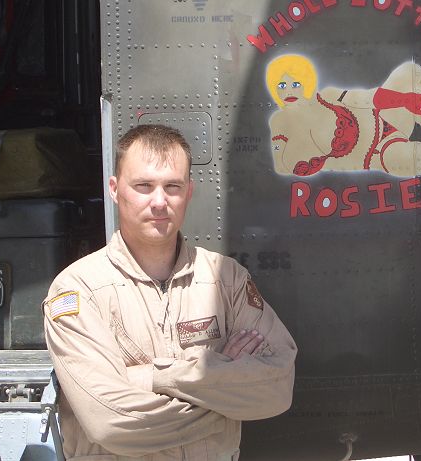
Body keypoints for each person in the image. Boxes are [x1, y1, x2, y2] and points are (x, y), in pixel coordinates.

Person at [43, 125, 297, 461]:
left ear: (189, 191)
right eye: (144, 186)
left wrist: (151, 376)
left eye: (172, 187)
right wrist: (225, 392)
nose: (160, 201)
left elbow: (276, 388)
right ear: (115, 190)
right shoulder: (79, 290)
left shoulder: (227, 280)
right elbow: (112, 423)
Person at [266, 54, 421, 177]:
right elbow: (281, 166)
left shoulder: (327, 95)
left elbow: (366, 98)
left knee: (409, 71)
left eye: (296, 84)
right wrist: (304, 145)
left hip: (386, 118)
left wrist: (406, 100)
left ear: (307, 82)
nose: (289, 91)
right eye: (281, 85)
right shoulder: (279, 120)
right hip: (381, 152)